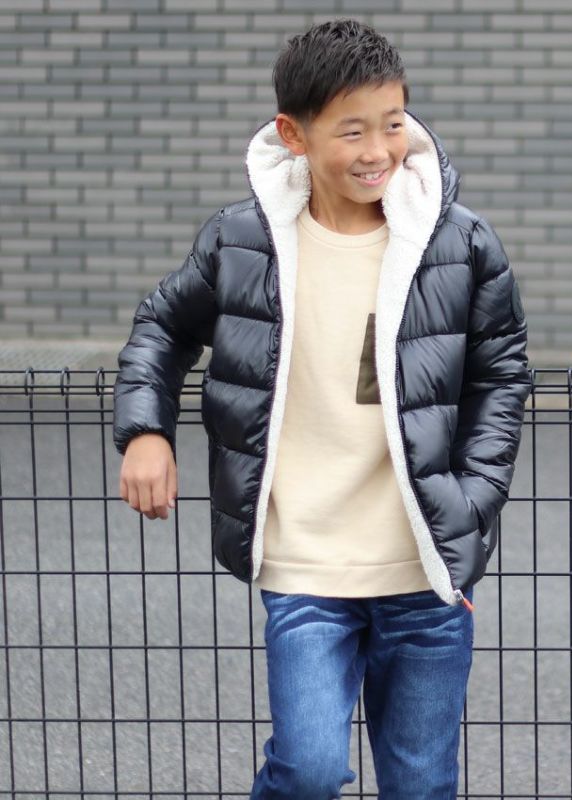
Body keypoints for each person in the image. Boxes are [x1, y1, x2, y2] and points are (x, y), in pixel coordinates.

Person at [113, 18, 530, 800]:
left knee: (420, 783)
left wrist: (472, 502)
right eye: (352, 131)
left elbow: (501, 377)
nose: (379, 150)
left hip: (425, 568)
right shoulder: (242, 243)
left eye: (393, 123)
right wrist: (145, 432)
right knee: (307, 771)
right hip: (305, 566)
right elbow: (161, 327)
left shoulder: (460, 244)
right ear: (293, 135)